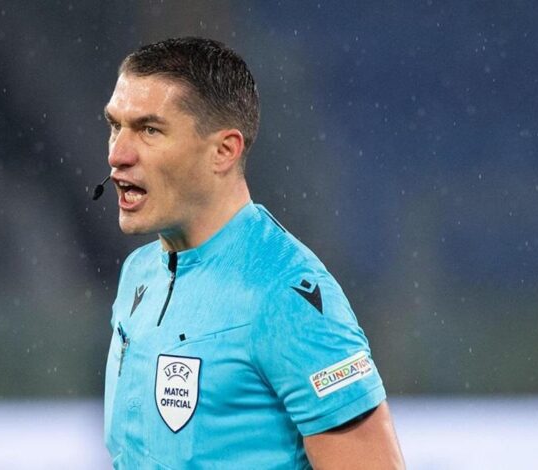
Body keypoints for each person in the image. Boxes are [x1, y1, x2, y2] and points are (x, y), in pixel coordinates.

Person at [102, 37, 404, 469]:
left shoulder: (285, 295)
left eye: (150, 130)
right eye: (115, 126)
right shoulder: (140, 273)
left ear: (224, 151)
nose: (117, 154)